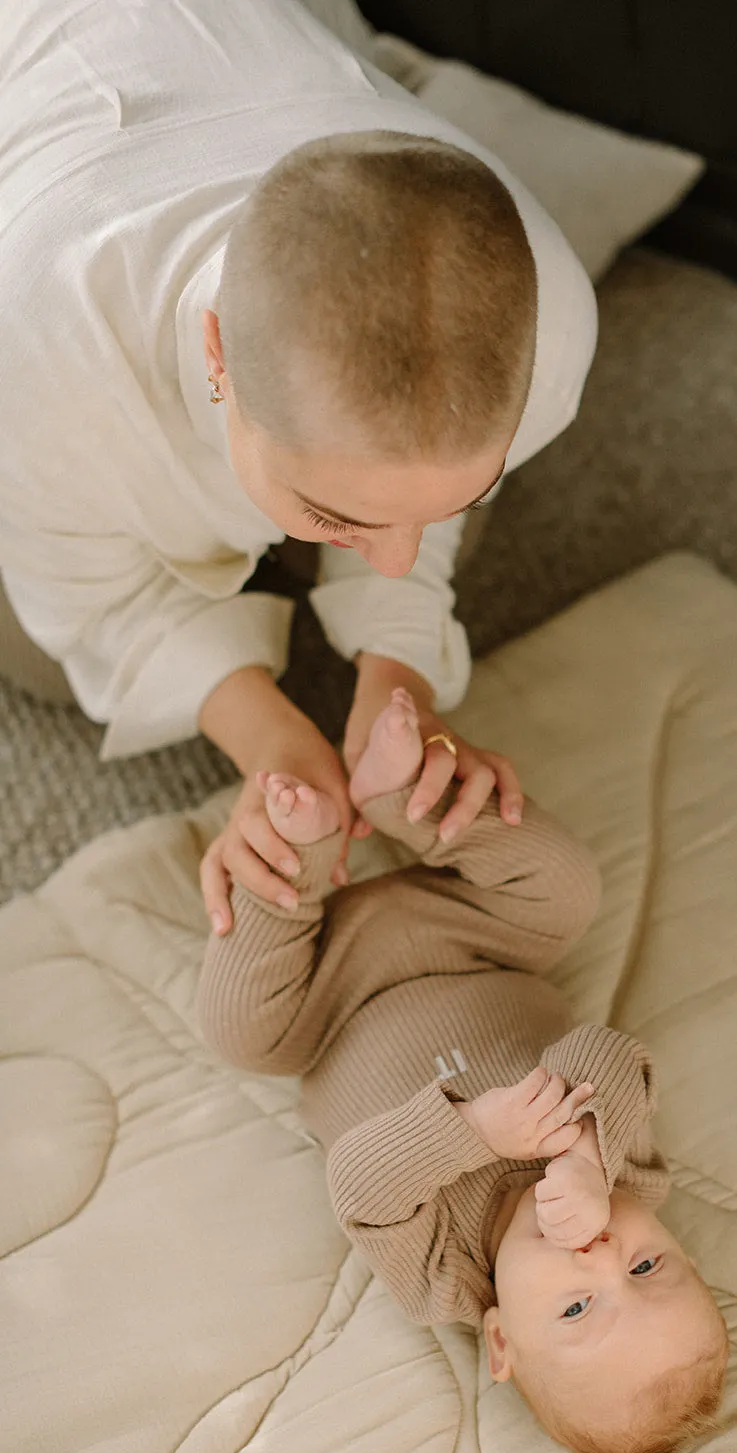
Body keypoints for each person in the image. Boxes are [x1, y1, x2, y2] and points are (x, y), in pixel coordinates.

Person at [0, 0, 597, 931]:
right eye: (341, 515)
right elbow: (91, 605)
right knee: (35, 660)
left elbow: (405, 546)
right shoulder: (42, 364)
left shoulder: (551, 307)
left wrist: (399, 674)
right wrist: (269, 739)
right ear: (218, 358)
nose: (399, 559)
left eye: (460, 491)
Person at [197, 689, 728, 1453]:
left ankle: (295, 854)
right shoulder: (626, 1173)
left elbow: (360, 1184)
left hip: (324, 1001)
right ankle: (397, 795)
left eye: (577, 1309)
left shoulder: (438, 1277)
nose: (603, 1253)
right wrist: (579, 1150)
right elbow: (611, 1054)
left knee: (237, 1029)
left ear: (501, 1340)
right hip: (475, 936)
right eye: (648, 1264)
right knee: (568, 886)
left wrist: (476, 1131)